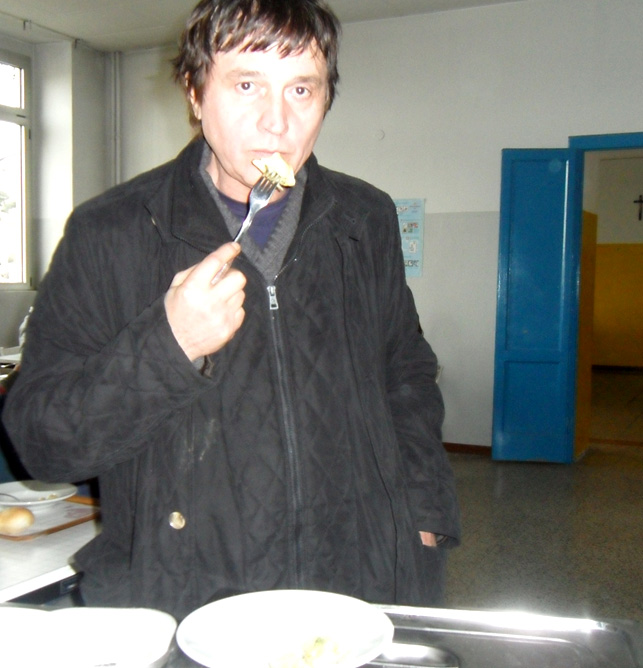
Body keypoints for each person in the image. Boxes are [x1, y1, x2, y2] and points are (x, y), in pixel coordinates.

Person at [2, 0, 460, 621]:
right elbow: (42, 443)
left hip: (358, 585)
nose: (277, 121)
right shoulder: (108, 232)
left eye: (301, 88)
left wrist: (425, 517)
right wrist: (168, 346)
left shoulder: (365, 219)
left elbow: (405, 372)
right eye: (247, 85)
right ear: (195, 93)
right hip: (188, 599)